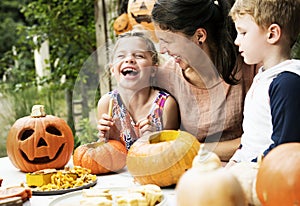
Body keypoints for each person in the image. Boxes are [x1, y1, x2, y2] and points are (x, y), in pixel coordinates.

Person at [151, 0, 258, 161]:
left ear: (199, 36)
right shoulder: (168, 76)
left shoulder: (250, 65)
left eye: (168, 41)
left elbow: (260, 140)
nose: (162, 50)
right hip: (192, 176)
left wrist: (195, 149)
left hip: (246, 170)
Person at [227, 0, 300, 163]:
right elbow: (250, 141)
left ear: (272, 34)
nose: (236, 41)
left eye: (243, 33)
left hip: (268, 176)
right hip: (249, 170)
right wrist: (234, 163)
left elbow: (284, 149)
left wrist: (243, 169)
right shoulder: (263, 78)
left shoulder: (287, 83)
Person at [97, 31, 180, 150]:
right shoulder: (107, 103)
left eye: (139, 56)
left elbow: (171, 152)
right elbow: (107, 155)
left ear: (153, 70)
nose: (129, 59)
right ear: (112, 69)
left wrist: (155, 140)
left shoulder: (165, 105)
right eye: (121, 56)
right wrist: (111, 140)